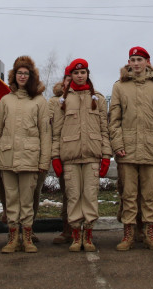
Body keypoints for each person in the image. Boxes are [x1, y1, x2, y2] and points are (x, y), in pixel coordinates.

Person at [109, 46, 153, 251]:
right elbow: (114, 120)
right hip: (126, 151)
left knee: (148, 195)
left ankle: (149, 234)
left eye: (139, 60)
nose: (135, 63)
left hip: (152, 150)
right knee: (128, 194)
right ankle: (128, 235)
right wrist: (117, 145)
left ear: (147, 62)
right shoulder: (120, 87)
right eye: (132, 60)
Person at [0, 56, 51, 253]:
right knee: (11, 200)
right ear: (14, 76)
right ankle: (12, 238)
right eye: (19, 73)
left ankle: (27, 238)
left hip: (30, 159)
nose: (22, 76)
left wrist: (44, 161)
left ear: (31, 76)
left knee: (27, 200)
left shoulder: (40, 101)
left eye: (26, 73)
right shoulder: (6, 100)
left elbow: (45, 133)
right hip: (7, 157)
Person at [52, 59, 112, 252]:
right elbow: (56, 132)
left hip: (92, 157)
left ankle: (88, 235)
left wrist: (105, 156)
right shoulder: (63, 100)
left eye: (83, 72)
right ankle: (76, 235)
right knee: (73, 197)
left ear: (87, 74)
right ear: (71, 76)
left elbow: (105, 129)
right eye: (76, 73)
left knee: (90, 196)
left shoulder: (98, 99)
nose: (80, 76)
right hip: (70, 158)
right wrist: (55, 157)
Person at [50, 66, 72, 244]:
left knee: (84, 193)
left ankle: (83, 228)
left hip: (82, 153)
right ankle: (67, 229)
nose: (71, 80)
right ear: (63, 81)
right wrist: (54, 155)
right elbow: (51, 130)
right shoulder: (54, 102)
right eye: (68, 78)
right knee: (67, 193)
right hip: (64, 153)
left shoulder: (92, 98)